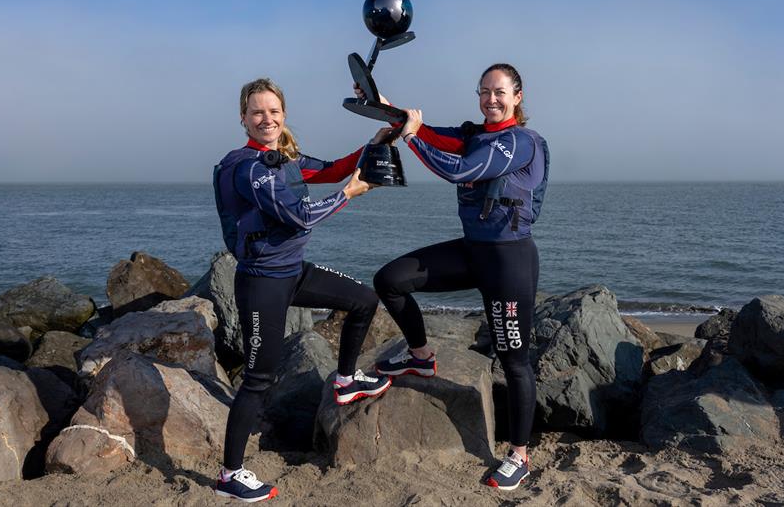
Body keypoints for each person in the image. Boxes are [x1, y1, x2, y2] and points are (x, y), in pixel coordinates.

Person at [358, 63, 549, 491]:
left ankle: (519, 454)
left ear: (518, 96)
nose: (491, 99)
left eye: (499, 92)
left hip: (509, 261)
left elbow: (460, 170)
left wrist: (409, 137)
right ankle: (421, 357)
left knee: (514, 361)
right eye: (484, 91)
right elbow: (426, 132)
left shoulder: (520, 142)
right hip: (472, 252)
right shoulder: (472, 135)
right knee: (390, 279)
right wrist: (384, 107)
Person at [213, 77, 393, 502]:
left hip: (293, 272)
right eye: (257, 112)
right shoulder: (249, 169)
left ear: (284, 115)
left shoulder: (283, 157)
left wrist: (378, 139)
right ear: (243, 118)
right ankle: (229, 474)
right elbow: (299, 217)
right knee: (258, 379)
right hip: (262, 284)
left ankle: (346, 380)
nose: (266, 118)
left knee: (364, 299)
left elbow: (330, 168)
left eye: (273, 111)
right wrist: (349, 193)